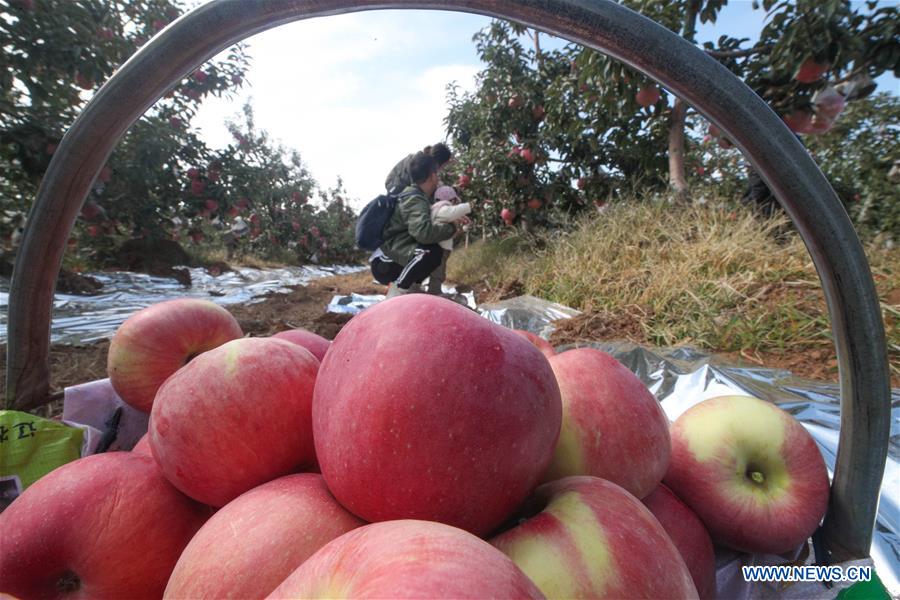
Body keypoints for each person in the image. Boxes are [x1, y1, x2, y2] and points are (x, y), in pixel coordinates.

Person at [370, 152, 456, 298]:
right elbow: (424, 233)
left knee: (431, 251)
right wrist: (451, 228)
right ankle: (398, 292)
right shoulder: (413, 198)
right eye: (437, 173)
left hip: (394, 254)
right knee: (430, 253)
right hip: (385, 262)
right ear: (432, 175)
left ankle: (410, 288)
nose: (439, 178)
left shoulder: (417, 196)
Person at [425, 185, 471, 295]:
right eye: (454, 201)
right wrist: (470, 205)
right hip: (441, 249)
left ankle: (429, 290)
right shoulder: (443, 209)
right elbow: (454, 211)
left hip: (439, 247)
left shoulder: (435, 210)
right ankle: (434, 291)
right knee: (438, 271)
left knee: (434, 270)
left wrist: (462, 226)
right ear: (452, 200)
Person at [385, 143, 453, 195]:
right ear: (439, 162)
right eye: (444, 165)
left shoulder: (424, 162)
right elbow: (419, 188)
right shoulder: (418, 163)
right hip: (395, 188)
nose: (442, 168)